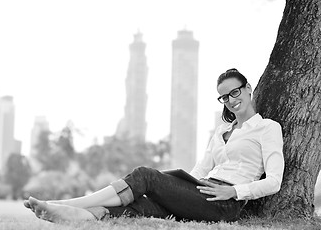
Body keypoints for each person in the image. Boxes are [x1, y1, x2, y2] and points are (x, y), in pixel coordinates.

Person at [24, 68, 284, 224]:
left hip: (225, 204)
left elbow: (274, 181)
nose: (230, 100)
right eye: (224, 97)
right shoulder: (222, 131)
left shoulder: (268, 128)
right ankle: (71, 216)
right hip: (200, 193)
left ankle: (69, 204)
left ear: (248, 89)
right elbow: (201, 168)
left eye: (234, 93)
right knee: (139, 206)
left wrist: (234, 192)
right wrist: (178, 187)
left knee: (144, 175)